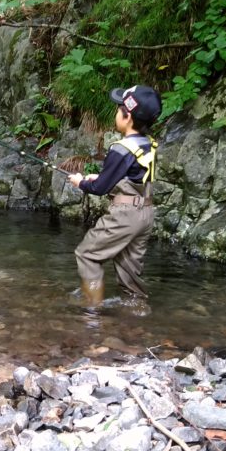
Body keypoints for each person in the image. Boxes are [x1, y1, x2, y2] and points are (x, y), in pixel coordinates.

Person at [66, 84, 161, 311]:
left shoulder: (121, 148)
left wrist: (81, 182)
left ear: (127, 118)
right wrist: (99, 176)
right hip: (145, 214)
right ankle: (136, 308)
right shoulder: (147, 144)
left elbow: (99, 188)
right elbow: (133, 175)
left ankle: (91, 309)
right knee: (129, 265)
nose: (116, 112)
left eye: (119, 109)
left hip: (125, 216)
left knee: (87, 254)